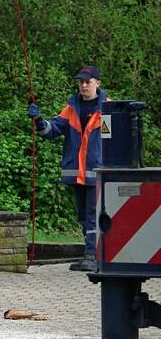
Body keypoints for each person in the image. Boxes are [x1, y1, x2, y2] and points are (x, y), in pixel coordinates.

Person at [28, 65, 106, 272]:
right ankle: (90, 255)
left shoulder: (108, 108)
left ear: (97, 83)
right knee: (83, 215)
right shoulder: (71, 108)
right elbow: (52, 130)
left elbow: (117, 141)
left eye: (87, 82)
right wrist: (38, 120)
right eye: (81, 82)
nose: (83, 85)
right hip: (78, 173)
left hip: (98, 172)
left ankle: (93, 255)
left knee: (92, 214)